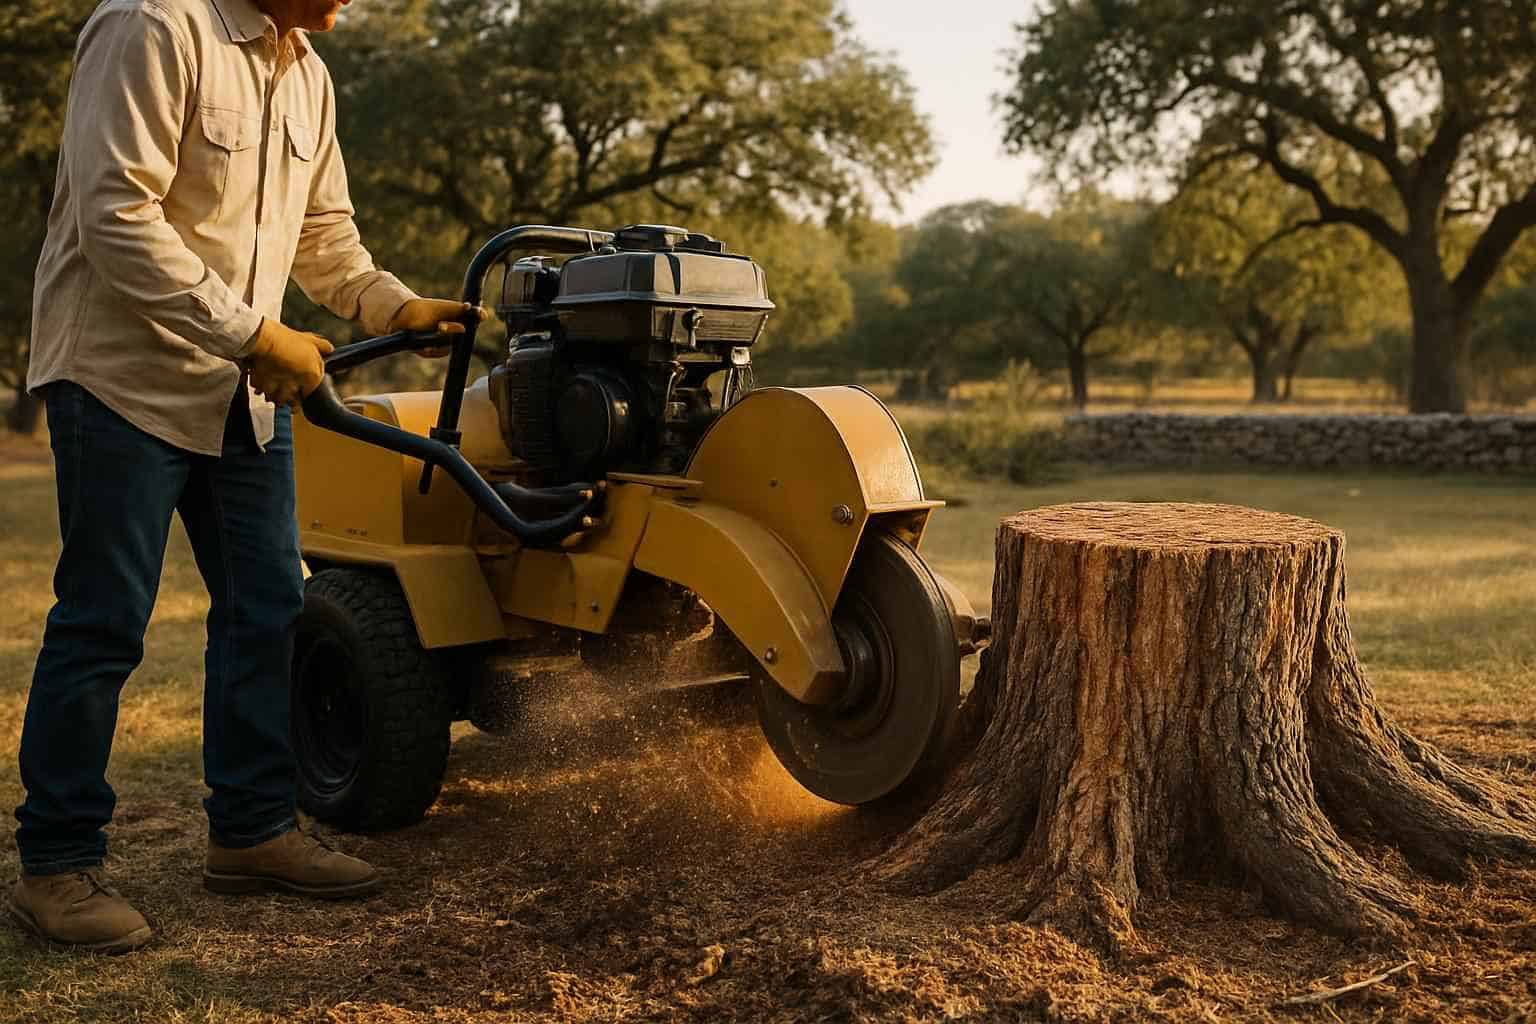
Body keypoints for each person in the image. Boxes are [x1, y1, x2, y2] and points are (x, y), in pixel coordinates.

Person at [9, 0, 478, 953]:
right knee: (103, 621)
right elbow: (115, 213)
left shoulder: (305, 72)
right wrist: (256, 333)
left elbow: (323, 235)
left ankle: (253, 830)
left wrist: (394, 304)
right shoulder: (151, 26)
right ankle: (56, 866)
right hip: (119, 379)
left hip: (244, 396)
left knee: (270, 608)